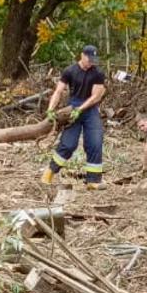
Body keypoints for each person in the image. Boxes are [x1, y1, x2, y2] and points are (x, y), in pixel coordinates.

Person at [43, 46, 109, 189]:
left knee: (95, 143)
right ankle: (48, 173)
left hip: (90, 109)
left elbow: (96, 96)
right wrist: (50, 110)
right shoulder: (70, 71)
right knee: (68, 144)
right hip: (72, 108)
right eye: (89, 59)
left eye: (93, 60)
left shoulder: (98, 73)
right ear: (82, 55)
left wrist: (81, 109)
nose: (91, 62)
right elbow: (58, 91)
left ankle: (93, 181)